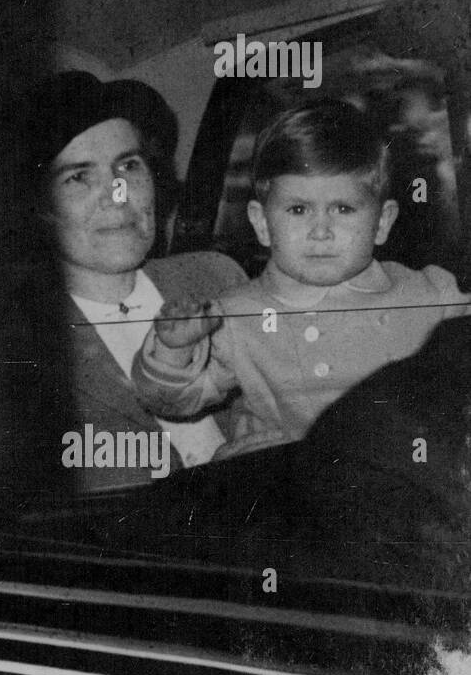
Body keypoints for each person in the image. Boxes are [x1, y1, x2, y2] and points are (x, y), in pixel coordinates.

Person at [0, 69, 248, 506]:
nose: (117, 194)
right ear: (38, 210)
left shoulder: (217, 279)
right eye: (78, 177)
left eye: (128, 166)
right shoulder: (13, 348)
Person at [133, 99, 471, 456]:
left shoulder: (430, 294)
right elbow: (172, 400)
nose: (320, 231)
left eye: (343, 208)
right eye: (298, 209)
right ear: (262, 223)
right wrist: (174, 350)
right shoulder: (234, 316)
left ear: (382, 222)